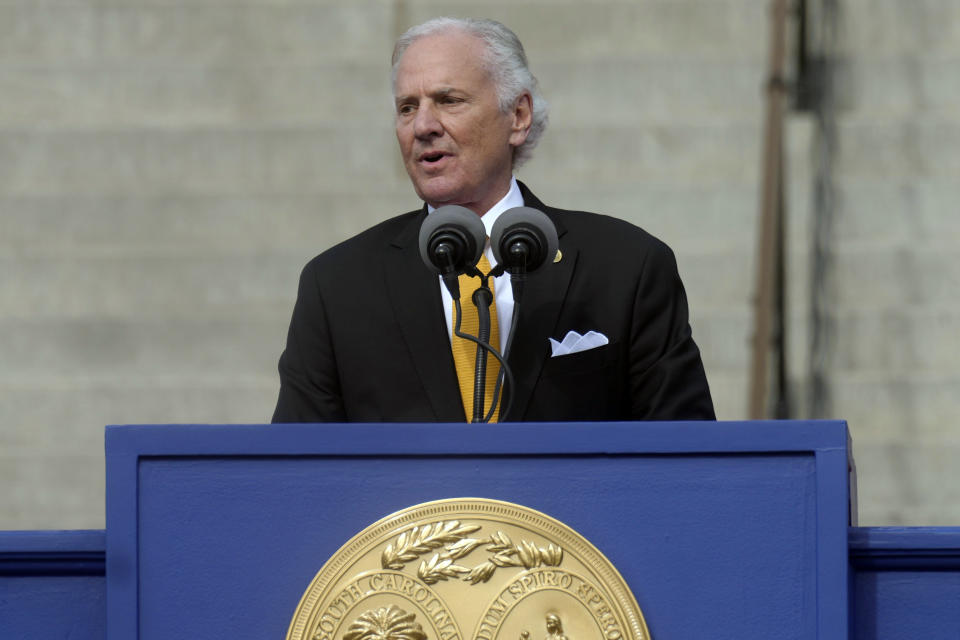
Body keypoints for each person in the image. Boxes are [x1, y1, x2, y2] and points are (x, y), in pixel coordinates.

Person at [272, 17, 715, 423]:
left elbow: (686, 459)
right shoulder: (336, 286)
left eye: (448, 100)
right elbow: (294, 475)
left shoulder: (626, 267)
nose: (423, 124)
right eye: (407, 107)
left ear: (518, 117)